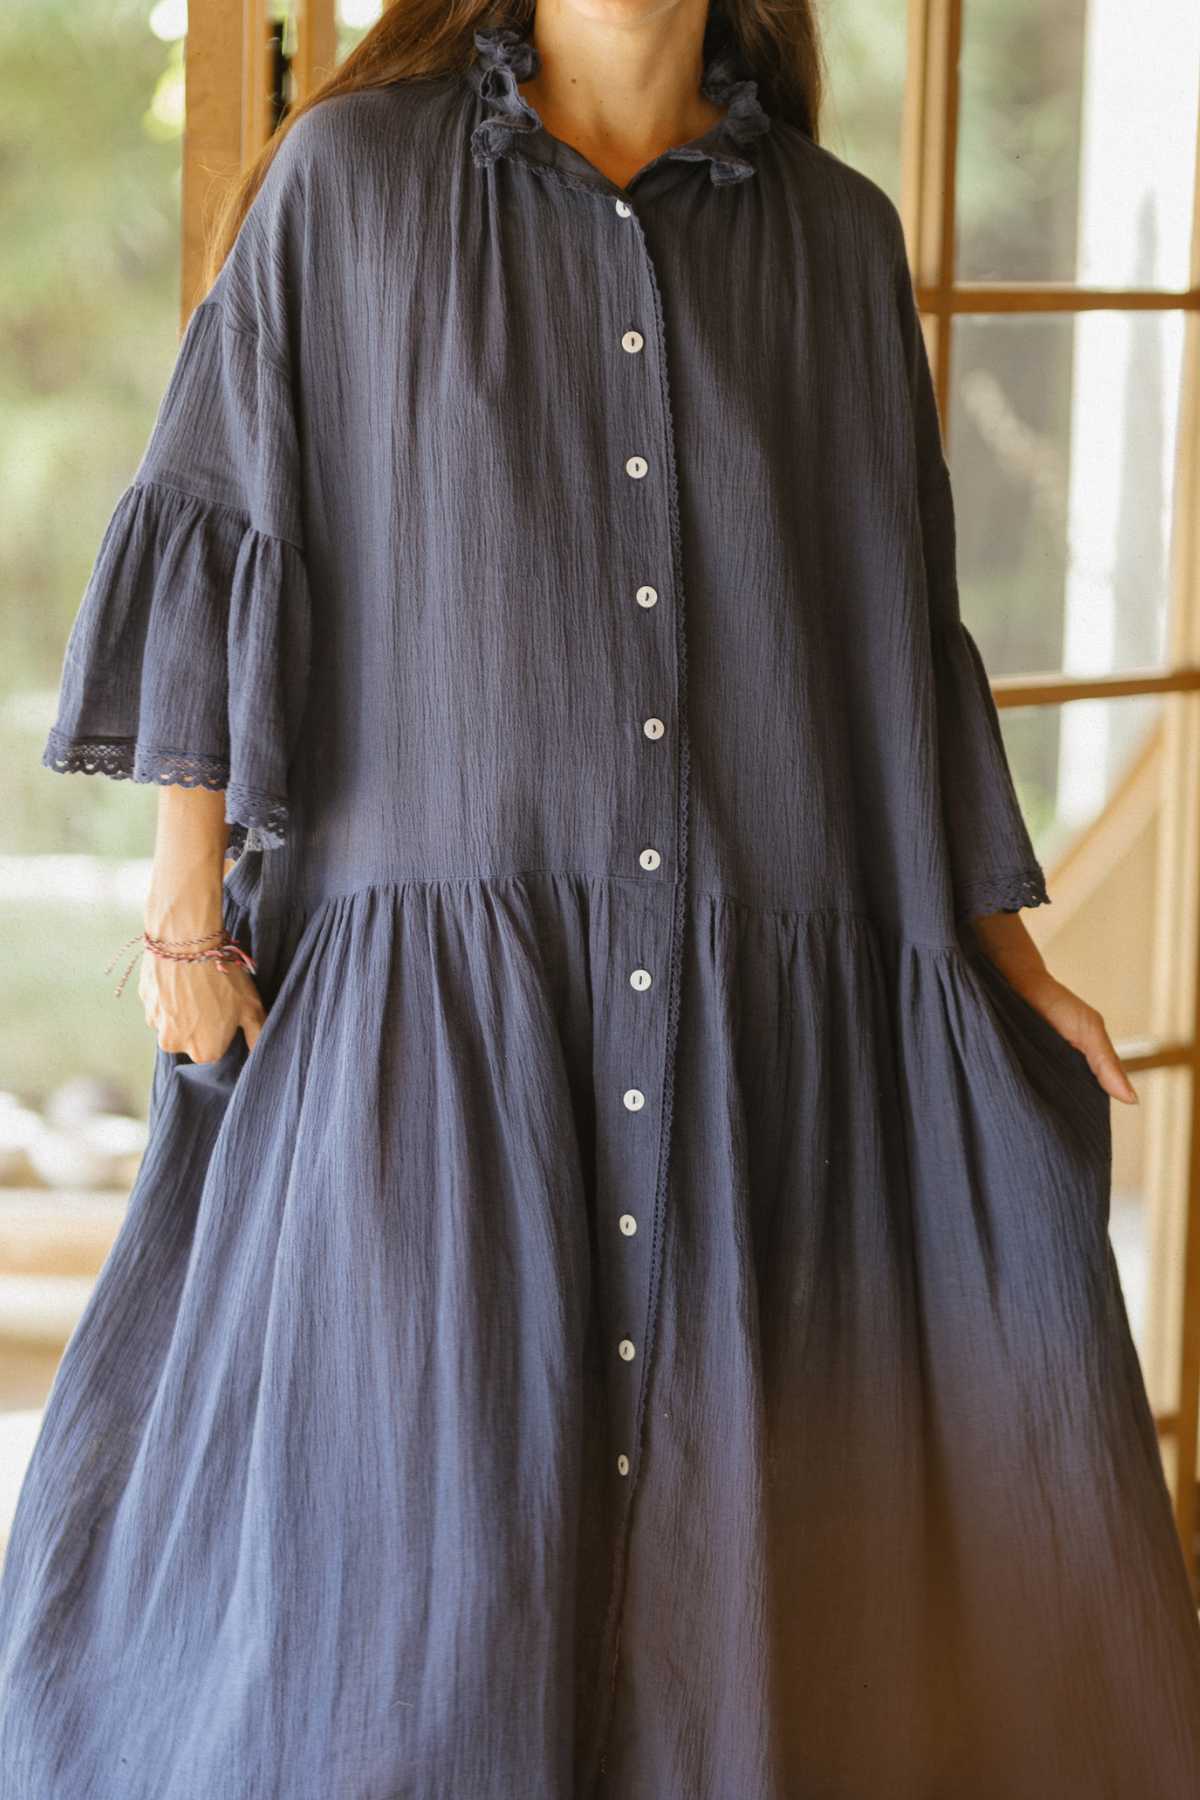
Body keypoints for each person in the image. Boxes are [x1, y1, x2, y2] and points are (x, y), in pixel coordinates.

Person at [3, 1, 1200, 1794]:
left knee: (735, 1626)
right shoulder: (350, 184)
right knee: (401, 1620)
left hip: (753, 1051)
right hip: (432, 1049)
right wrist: (186, 907)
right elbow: (221, 511)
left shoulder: (840, 241)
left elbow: (894, 644)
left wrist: (1004, 959)